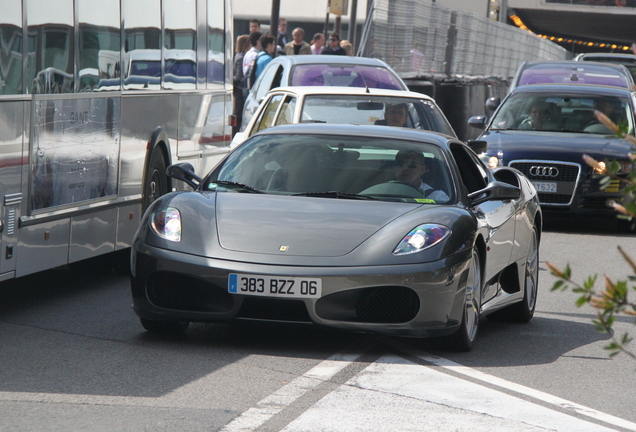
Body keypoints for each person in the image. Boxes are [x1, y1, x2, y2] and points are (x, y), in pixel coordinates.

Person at [232, 34, 250, 136]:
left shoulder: (238, 55)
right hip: (239, 89)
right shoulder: (241, 57)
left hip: (237, 89)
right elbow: (239, 76)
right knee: (238, 113)